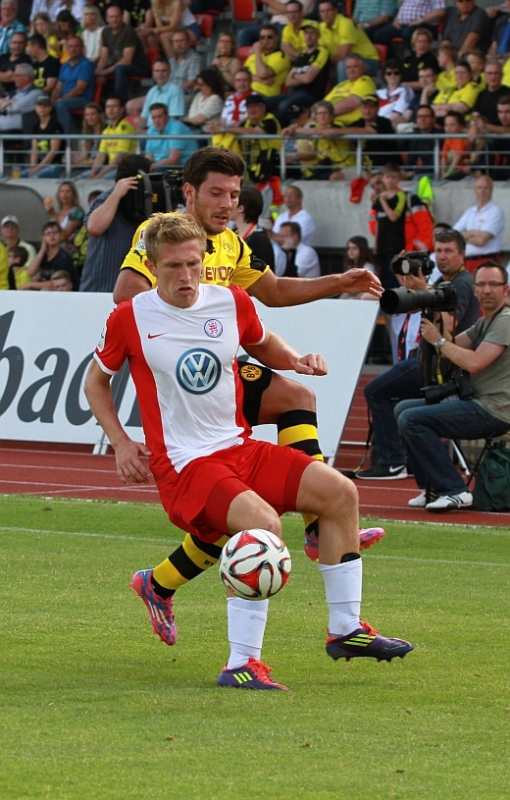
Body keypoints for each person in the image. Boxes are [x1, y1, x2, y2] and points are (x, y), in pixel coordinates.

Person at [84, 210, 413, 689]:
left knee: (340, 493)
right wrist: (120, 442)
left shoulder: (230, 300)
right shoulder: (129, 317)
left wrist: (296, 360)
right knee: (263, 528)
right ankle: (241, 663)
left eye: (194, 264)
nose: (187, 276)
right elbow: (95, 382)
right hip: (184, 465)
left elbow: (262, 342)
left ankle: (346, 629)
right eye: (174, 266)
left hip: (240, 448)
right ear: (152, 267)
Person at [113, 147, 386, 598]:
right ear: (189, 193)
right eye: (216, 194)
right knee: (235, 502)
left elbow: (273, 291)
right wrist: (187, 311)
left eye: (234, 195)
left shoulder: (232, 243)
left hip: (221, 369)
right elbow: (126, 292)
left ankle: (162, 583)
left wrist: (337, 283)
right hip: (182, 376)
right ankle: (313, 525)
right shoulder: (159, 234)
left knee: (295, 404)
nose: (227, 205)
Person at [358, 229, 481, 480]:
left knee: (375, 390)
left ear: (462, 255)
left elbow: (448, 325)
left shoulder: (461, 283)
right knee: (393, 396)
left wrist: (422, 290)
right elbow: (370, 299)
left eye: (448, 251)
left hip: (443, 366)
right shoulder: (445, 283)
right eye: (439, 250)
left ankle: (392, 461)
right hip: (433, 362)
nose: (442, 256)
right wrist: (406, 284)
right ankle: (407, 458)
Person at [399, 262, 510, 511]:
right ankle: (431, 488)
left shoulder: (505, 320)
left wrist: (437, 340)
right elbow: (453, 345)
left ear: (505, 289)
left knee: (412, 419)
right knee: (403, 409)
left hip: (496, 409)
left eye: (494, 284)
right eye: (482, 284)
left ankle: (454, 490)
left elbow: (474, 362)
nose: (487, 290)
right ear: (475, 290)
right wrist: (437, 314)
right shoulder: (486, 322)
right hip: (480, 403)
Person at [79, 154, 152, 292]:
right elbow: (94, 227)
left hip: (129, 290)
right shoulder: (107, 198)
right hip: (99, 288)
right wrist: (116, 194)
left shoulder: (147, 203)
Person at [270, 19, 330, 127]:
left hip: (311, 95)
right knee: (265, 103)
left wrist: (295, 75)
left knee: (284, 105)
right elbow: (288, 82)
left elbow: (308, 79)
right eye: (306, 33)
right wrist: (300, 77)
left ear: (318, 36)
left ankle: (287, 132)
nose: (309, 36)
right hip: (293, 93)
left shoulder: (321, 51)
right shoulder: (302, 54)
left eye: (312, 33)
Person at [95, 4, 149, 106]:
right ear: (107, 19)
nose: (114, 19)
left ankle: (120, 103)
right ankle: (96, 103)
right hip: (118, 65)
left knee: (120, 69)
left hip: (138, 66)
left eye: (117, 16)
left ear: (121, 17)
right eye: (111, 17)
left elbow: (127, 60)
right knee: (91, 67)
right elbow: (104, 56)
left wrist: (105, 72)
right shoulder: (105, 32)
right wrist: (99, 71)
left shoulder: (128, 31)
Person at [318, 0, 380, 82]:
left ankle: (344, 89)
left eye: (328, 10)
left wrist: (323, 62)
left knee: (343, 64)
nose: (325, 14)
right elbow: (322, 50)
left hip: (368, 60)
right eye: (322, 11)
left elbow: (343, 55)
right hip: (342, 61)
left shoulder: (346, 24)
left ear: (335, 11)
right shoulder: (321, 27)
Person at [453, 175, 505, 270]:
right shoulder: (470, 212)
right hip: (466, 262)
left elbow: (481, 240)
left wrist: (463, 237)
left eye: (486, 188)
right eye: (479, 188)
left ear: (491, 189)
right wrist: (473, 233)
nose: (482, 191)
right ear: (475, 190)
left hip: (487, 261)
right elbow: (453, 235)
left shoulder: (495, 212)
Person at [80, 96, 136, 179]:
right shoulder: (107, 130)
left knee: (104, 178)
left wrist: (100, 175)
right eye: (108, 107)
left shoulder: (125, 128)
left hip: (125, 167)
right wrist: (92, 173)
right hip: (111, 167)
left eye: (114, 106)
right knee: (83, 176)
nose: (111, 109)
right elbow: (101, 155)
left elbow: (120, 157)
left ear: (121, 109)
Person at [371, 163, 407, 290]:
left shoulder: (400, 195)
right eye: (388, 177)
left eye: (393, 177)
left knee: (393, 273)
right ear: (383, 178)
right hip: (382, 242)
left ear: (398, 179)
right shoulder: (378, 197)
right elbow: (377, 221)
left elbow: (394, 217)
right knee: (383, 274)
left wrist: (383, 201)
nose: (390, 180)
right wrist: (376, 243)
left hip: (395, 242)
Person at [51, 36, 96, 132]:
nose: (73, 49)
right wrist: (52, 99)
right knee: (43, 104)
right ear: (67, 49)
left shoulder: (86, 64)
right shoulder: (65, 66)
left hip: (82, 99)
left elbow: (79, 89)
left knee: (60, 104)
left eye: (76, 46)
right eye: (70, 46)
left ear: (82, 48)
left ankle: (66, 137)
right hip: (65, 99)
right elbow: (58, 87)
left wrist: (61, 99)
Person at [124, 57, 186, 125]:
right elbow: (144, 117)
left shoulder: (176, 91)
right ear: (153, 73)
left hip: (166, 130)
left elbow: (174, 119)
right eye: (157, 71)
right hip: (150, 129)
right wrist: (140, 129)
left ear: (169, 72)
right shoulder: (152, 91)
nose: (160, 74)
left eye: (163, 71)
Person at [323, 54, 377, 128]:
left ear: (363, 68)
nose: (351, 70)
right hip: (327, 122)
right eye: (348, 67)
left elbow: (350, 104)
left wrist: (322, 113)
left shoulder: (365, 81)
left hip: (347, 126)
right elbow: (323, 103)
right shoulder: (341, 84)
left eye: (355, 66)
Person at [372, 0, 446, 53]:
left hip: (424, 24)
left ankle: (415, 60)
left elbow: (440, 11)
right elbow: (404, 7)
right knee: (378, 35)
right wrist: (397, 18)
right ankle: (394, 61)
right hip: (403, 25)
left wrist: (421, 20)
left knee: (408, 34)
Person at [231, 182, 275, 270]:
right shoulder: (231, 233)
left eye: (232, 200)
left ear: (240, 208)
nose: (226, 205)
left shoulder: (260, 240)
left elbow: (265, 274)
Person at [22, 220, 78, 290]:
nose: (52, 235)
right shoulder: (44, 254)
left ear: (60, 234)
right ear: (43, 237)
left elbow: (56, 284)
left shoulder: (64, 258)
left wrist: (30, 284)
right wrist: (42, 249)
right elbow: (30, 272)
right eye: (48, 233)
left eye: (55, 232)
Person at [20, 94, 65, 178]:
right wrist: (33, 167)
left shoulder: (55, 125)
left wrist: (37, 168)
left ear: (50, 108)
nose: (42, 108)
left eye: (45, 106)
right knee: (18, 177)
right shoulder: (36, 126)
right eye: (39, 105)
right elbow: (34, 150)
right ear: (35, 108)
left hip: (55, 165)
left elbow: (54, 151)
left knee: (35, 178)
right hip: (41, 166)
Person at [144, 102, 197, 170]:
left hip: (183, 167)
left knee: (160, 169)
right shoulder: (152, 129)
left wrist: (153, 166)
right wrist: (146, 166)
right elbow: (149, 156)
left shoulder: (177, 128)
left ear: (167, 116)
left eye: (160, 116)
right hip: (160, 164)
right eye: (154, 118)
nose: (157, 120)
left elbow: (174, 160)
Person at [244, 25, 291, 98]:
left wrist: (258, 52)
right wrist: (261, 80)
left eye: (269, 37)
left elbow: (263, 74)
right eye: (262, 38)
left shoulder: (282, 56)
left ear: (277, 38)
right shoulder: (253, 56)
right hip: (247, 93)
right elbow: (242, 75)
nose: (266, 41)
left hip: (265, 96)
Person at [43, 180, 85, 252]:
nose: (64, 194)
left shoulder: (77, 212)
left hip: (70, 252)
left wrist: (53, 215)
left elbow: (63, 236)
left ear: (74, 195)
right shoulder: (58, 212)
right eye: (62, 191)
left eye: (68, 191)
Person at [0, 62, 40, 132]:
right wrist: (6, 104)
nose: (14, 78)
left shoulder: (36, 92)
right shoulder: (14, 93)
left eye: (17, 76)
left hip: (19, 133)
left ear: (26, 77)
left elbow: (15, 107)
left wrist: (5, 105)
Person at [402, 104, 440, 177]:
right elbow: (410, 161)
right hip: (421, 172)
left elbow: (433, 165)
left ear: (434, 120)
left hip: (436, 173)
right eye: (420, 116)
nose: (423, 119)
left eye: (426, 116)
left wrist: (411, 173)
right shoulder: (416, 137)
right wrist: (401, 171)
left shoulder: (439, 137)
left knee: (416, 179)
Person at [376, 60, 414, 129]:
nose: (392, 76)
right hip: (375, 123)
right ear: (384, 76)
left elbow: (397, 115)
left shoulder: (405, 90)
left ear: (401, 75)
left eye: (396, 73)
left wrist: (378, 126)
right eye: (389, 73)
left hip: (389, 126)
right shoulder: (378, 92)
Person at [167, 28, 202, 101]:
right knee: (141, 102)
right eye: (176, 41)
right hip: (169, 94)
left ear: (189, 42)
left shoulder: (194, 58)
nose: (179, 44)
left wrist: (175, 91)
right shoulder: (172, 61)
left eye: (182, 41)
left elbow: (193, 82)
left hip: (186, 95)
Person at [71, 101, 105, 169]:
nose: (90, 117)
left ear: (100, 115)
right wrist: (73, 162)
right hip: (89, 164)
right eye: (87, 115)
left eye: (93, 114)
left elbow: (103, 158)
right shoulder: (87, 132)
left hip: (101, 165)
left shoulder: (106, 131)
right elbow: (84, 155)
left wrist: (82, 163)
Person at [473, 61, 508, 125]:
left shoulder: (508, 93)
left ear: (502, 75)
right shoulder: (481, 95)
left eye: (496, 73)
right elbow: (476, 116)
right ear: (485, 76)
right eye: (490, 73)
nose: (493, 77)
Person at [440, 110, 471, 180]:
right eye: (446, 125)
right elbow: (444, 157)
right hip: (453, 169)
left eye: (452, 125)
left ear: (461, 127)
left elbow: (457, 157)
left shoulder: (461, 139)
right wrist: (443, 172)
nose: (448, 127)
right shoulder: (447, 138)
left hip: (463, 170)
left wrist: (448, 173)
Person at [0, 30, 31, 95]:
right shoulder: (3, 57)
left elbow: (8, 77)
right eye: (14, 42)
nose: (17, 46)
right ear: (10, 44)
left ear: (26, 44)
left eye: (20, 43)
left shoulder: (26, 60)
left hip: (16, 95)